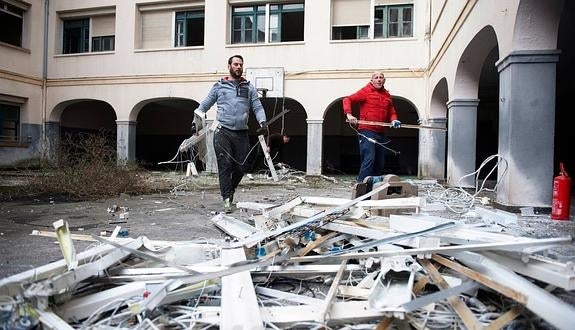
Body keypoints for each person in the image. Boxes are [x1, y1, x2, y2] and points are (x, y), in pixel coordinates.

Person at [196, 55, 267, 212]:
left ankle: (231, 189)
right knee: (225, 164)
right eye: (235, 64)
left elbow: (257, 107)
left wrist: (263, 122)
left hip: (241, 133)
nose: (238, 67)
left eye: (241, 64)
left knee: (242, 167)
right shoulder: (219, 86)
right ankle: (226, 199)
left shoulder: (248, 88)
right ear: (229, 66)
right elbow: (205, 105)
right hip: (222, 131)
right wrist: (195, 121)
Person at [342, 71, 401, 184]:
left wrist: (394, 120)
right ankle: (361, 184)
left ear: (384, 80)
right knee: (369, 158)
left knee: (380, 162)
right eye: (376, 77)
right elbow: (347, 99)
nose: (379, 79)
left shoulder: (387, 95)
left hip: (381, 132)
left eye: (381, 77)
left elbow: (392, 112)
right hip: (367, 130)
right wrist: (349, 114)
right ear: (372, 80)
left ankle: (375, 186)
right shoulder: (366, 91)